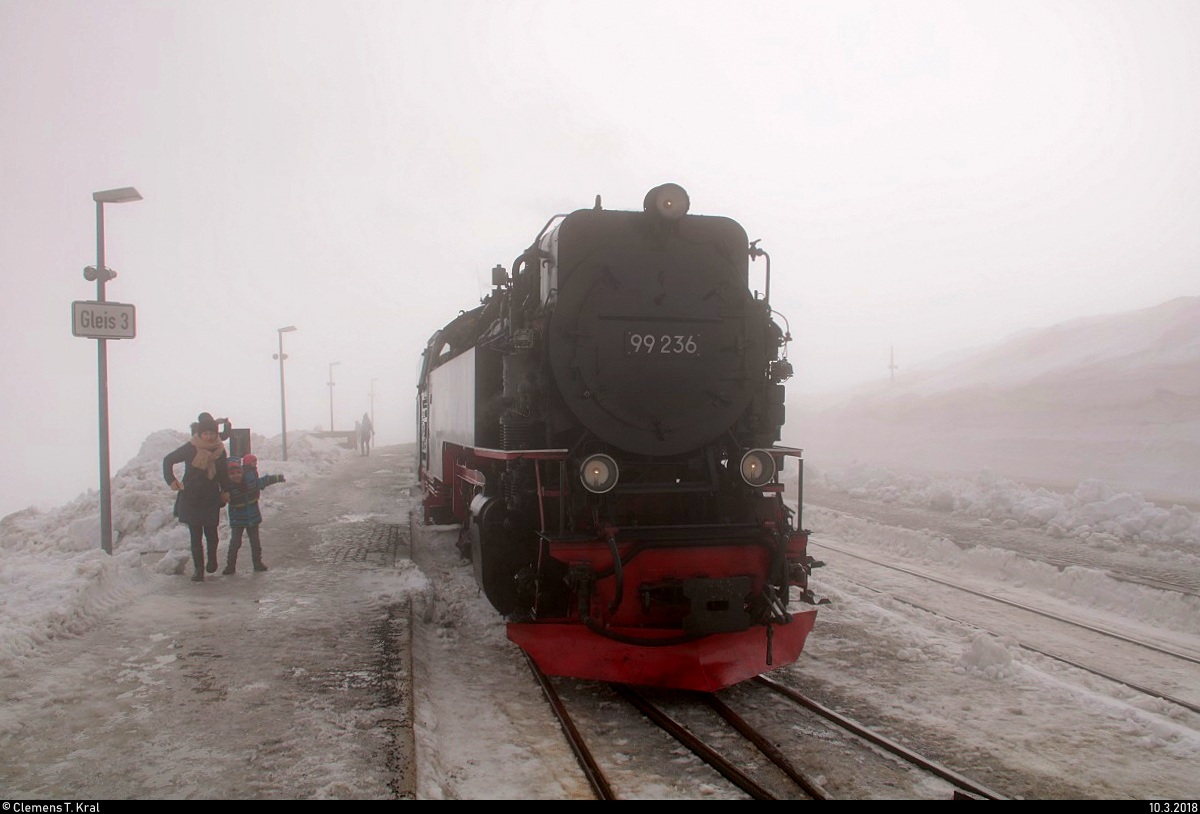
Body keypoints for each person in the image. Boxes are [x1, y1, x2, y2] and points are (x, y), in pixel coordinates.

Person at [163, 414, 232, 582]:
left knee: (212, 534)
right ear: (199, 434)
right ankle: (198, 569)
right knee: (195, 536)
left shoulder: (220, 451)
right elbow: (168, 460)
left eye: (212, 433)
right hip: (191, 496)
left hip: (210, 497)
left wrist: (226, 490)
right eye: (205, 433)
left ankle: (212, 560)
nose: (209, 436)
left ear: (216, 434)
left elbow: (223, 473)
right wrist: (172, 481)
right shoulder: (190, 448)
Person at [222, 454, 285, 574]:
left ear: (242, 472)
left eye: (238, 472)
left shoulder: (251, 482)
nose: (236, 475)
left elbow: (264, 481)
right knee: (235, 543)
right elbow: (220, 498)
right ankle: (230, 566)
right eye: (232, 473)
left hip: (253, 517)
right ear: (228, 475)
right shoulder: (228, 488)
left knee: (255, 542)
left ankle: (257, 563)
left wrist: (277, 478)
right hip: (237, 519)